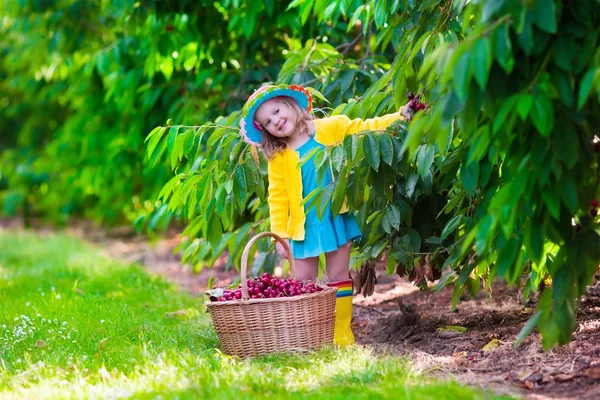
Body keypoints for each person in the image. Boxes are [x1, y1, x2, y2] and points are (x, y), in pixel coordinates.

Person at [239, 84, 409, 346]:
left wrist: (399, 117)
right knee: (303, 281)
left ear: (290, 104)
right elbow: (277, 196)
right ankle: (308, 336)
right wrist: (279, 237)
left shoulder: (330, 129)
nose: (276, 121)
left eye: (276, 110)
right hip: (301, 227)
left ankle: (341, 333)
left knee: (338, 277)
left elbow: (364, 128)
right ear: (266, 131)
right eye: (268, 122)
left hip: (334, 218)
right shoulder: (279, 157)